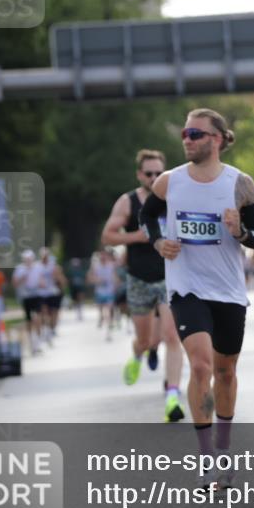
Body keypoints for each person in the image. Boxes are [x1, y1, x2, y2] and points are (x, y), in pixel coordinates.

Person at [140, 107, 254, 487]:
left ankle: (225, 449)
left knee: (225, 371)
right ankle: (207, 458)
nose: (187, 139)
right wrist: (158, 240)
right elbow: (147, 218)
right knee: (199, 367)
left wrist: (241, 231)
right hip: (186, 288)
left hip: (228, 290)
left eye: (195, 134)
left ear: (216, 139)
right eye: (184, 133)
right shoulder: (169, 182)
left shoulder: (240, 184)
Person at [101, 148, 186, 423]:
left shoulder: (174, 198)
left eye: (159, 173)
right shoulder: (127, 202)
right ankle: (138, 354)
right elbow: (108, 236)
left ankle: (172, 395)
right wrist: (138, 236)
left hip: (168, 277)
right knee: (148, 339)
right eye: (148, 173)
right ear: (139, 175)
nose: (153, 177)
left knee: (172, 336)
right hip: (138, 279)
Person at [13, 249, 45, 355]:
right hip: (26, 296)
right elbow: (15, 283)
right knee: (29, 320)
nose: (28, 261)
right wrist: (22, 278)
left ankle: (38, 340)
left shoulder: (38, 267)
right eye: (26, 259)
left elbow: (42, 280)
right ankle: (32, 341)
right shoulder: (20, 269)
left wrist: (41, 283)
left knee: (38, 317)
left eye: (29, 259)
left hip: (36, 295)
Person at [89, 249, 117, 340]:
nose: (103, 257)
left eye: (105, 255)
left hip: (109, 292)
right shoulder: (95, 266)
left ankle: (109, 331)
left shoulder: (111, 265)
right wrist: (97, 280)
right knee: (102, 311)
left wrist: (115, 285)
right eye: (102, 255)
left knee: (108, 311)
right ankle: (101, 317)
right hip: (99, 292)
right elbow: (90, 278)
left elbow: (115, 277)